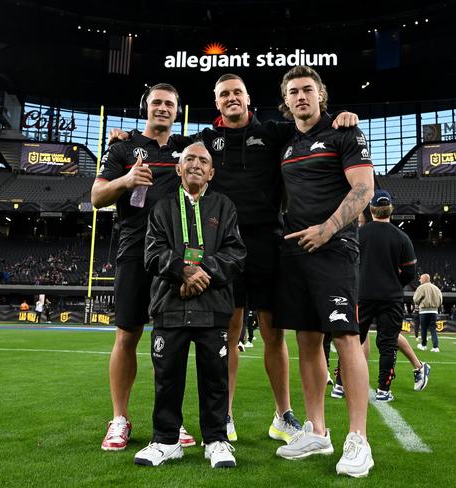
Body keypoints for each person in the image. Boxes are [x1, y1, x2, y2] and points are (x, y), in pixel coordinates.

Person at [110, 74, 358, 444]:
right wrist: (126, 137)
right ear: (217, 102)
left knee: (275, 335)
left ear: (247, 98)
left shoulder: (275, 133)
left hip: (270, 244)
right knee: (228, 334)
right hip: (224, 247)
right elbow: (166, 142)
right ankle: (223, 416)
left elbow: (310, 126)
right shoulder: (206, 140)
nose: (231, 99)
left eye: (236, 93)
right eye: (223, 94)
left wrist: (341, 116)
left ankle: (283, 415)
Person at [273, 66, 374, 478]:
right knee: (307, 340)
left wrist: (328, 229)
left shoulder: (345, 133)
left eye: (307, 90)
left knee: (346, 337)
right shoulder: (287, 144)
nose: (300, 97)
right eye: (293, 91)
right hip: (295, 253)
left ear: (321, 95)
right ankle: (318, 431)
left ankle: (358, 439)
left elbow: (363, 189)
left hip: (335, 248)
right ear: (286, 100)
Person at [91, 83, 195, 451]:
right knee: (127, 335)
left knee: (173, 341)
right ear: (145, 107)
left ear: (177, 109)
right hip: (134, 251)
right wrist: (126, 179)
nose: (163, 108)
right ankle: (119, 418)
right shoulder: (121, 148)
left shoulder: (188, 148)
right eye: (157, 103)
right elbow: (96, 197)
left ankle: (171, 419)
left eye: (170, 103)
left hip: (174, 257)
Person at [134, 142, 246, 468]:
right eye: (189, 159)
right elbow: (152, 253)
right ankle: (165, 440)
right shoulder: (162, 208)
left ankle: (216, 440)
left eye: (203, 160)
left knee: (215, 377)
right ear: (178, 168)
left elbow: (236, 253)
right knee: (167, 377)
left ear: (212, 171)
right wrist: (182, 271)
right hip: (169, 304)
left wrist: (203, 272)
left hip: (213, 306)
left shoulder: (224, 207)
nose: (196, 164)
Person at [357, 190, 419, 402]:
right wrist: (394, 283)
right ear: (390, 209)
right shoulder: (401, 237)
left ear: (372, 209)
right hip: (391, 298)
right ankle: (384, 389)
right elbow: (410, 272)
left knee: (353, 341)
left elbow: (347, 263)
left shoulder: (359, 234)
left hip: (362, 295)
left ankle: (342, 385)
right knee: (388, 344)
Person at [413, 274, 443, 352]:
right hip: (434, 311)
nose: (419, 280)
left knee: (423, 328)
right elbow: (441, 299)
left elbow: (415, 299)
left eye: (420, 279)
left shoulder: (421, 287)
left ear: (424, 279)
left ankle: (424, 345)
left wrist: (420, 303)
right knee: (433, 329)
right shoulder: (436, 288)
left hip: (424, 311)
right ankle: (435, 347)